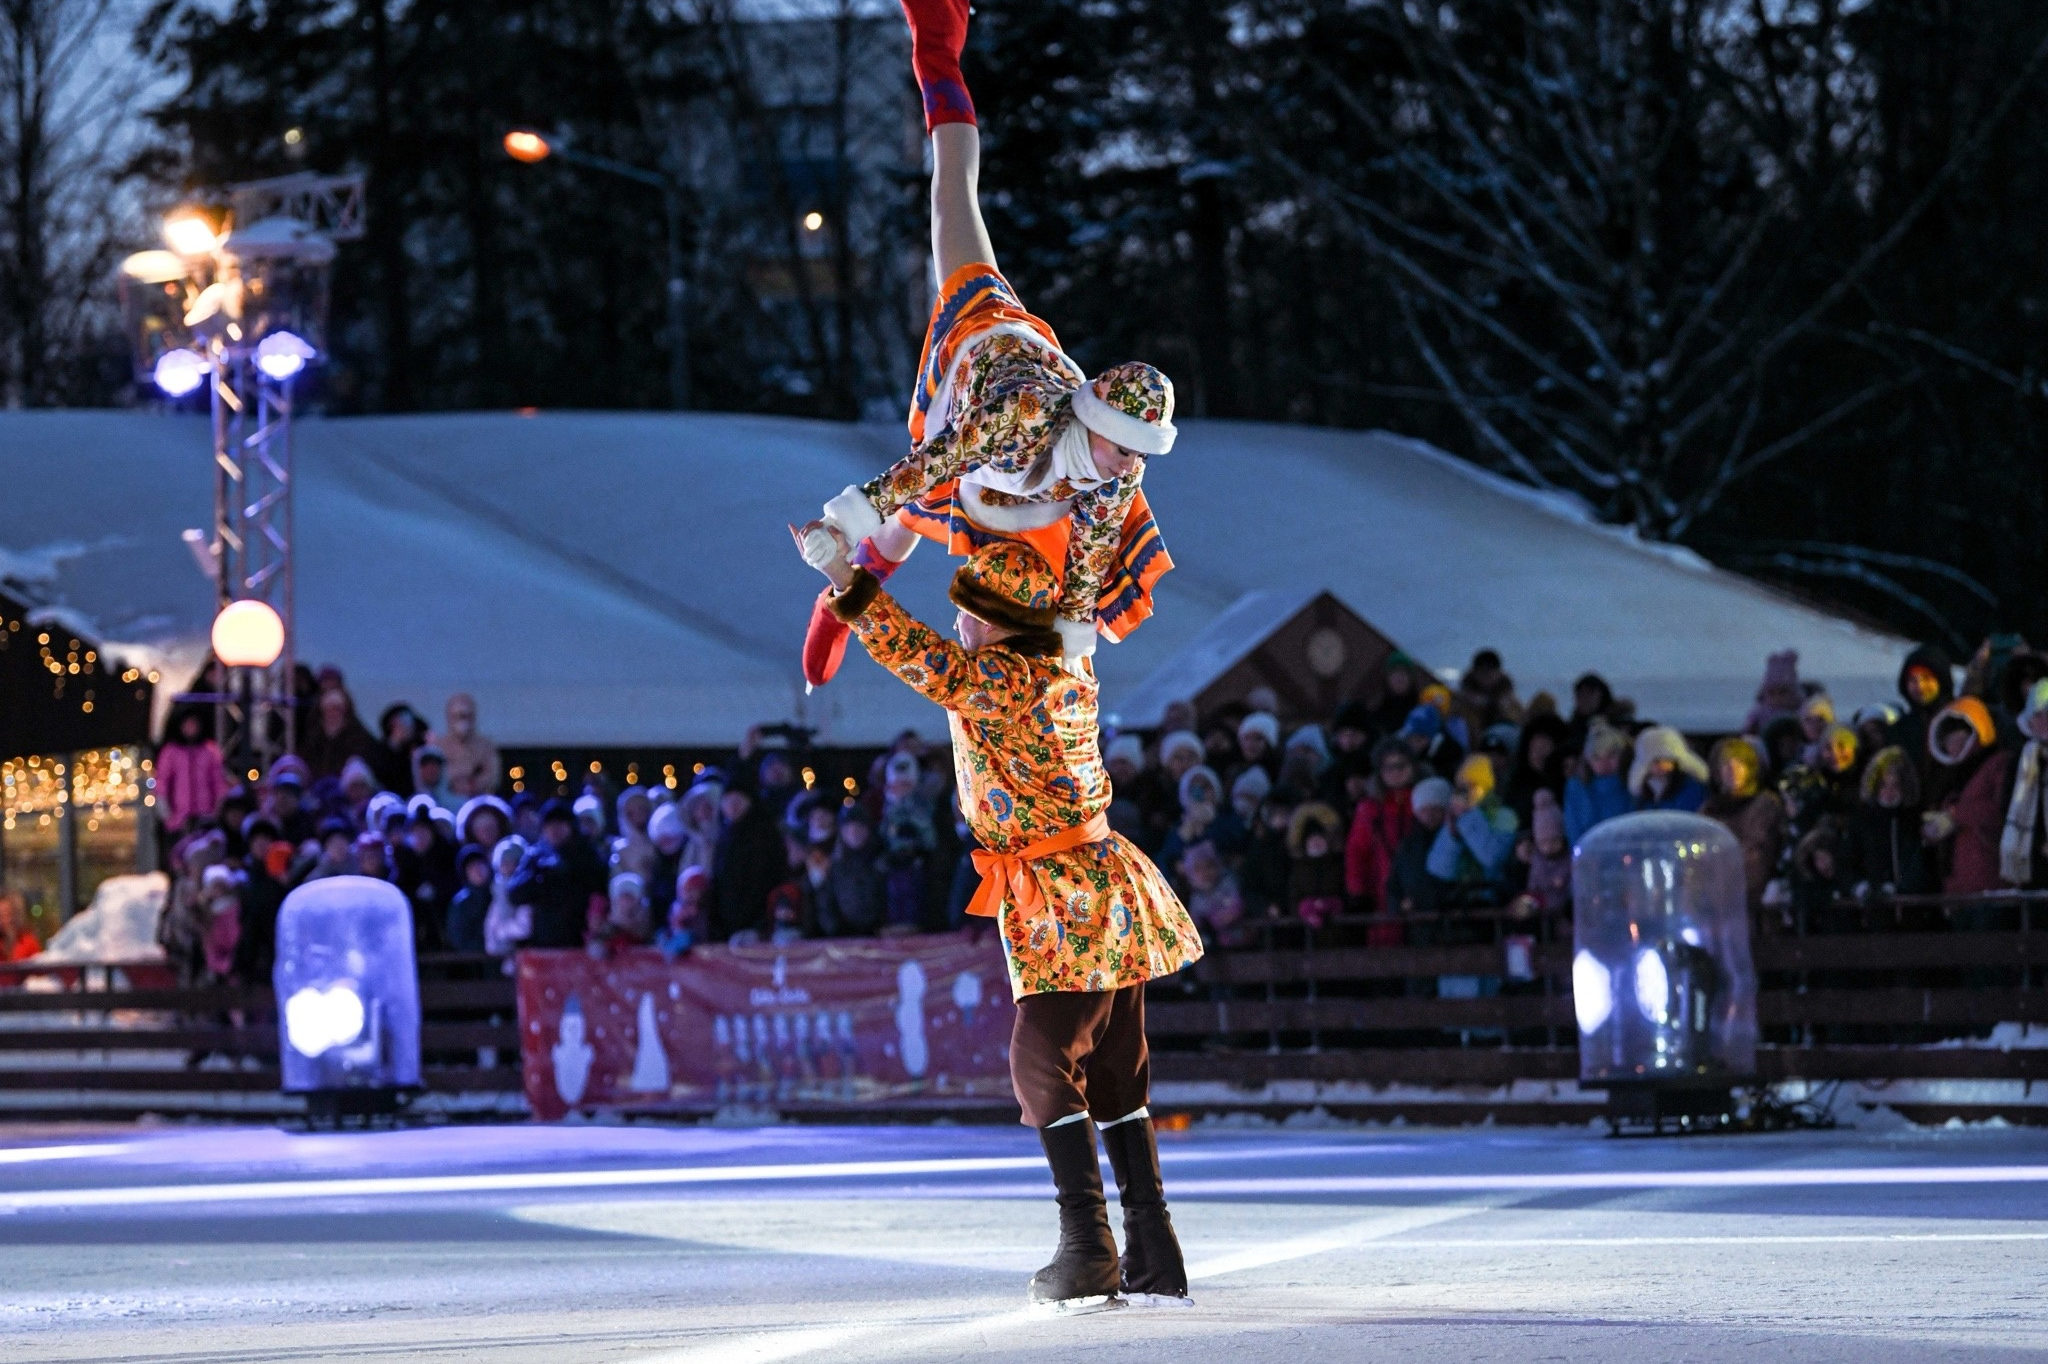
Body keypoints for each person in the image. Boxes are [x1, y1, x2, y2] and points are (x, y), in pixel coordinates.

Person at [804, 527, 1200, 1311]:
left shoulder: (1010, 679)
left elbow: (926, 660)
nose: (959, 625)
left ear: (996, 621)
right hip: (1097, 885)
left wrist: (847, 578)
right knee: (1117, 1067)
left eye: (969, 614)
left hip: (1064, 897)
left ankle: (1088, 1245)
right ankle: (1152, 1249)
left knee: (1042, 1063)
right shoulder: (1065, 662)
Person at [797, 0, 1179, 692]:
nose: (1128, 464)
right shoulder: (1021, 416)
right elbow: (927, 467)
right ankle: (937, 41)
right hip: (987, 359)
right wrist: (844, 524)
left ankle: (845, 597)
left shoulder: (1118, 470)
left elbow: (1090, 554)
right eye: (1124, 447)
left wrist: (1072, 626)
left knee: (955, 517)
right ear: (1098, 426)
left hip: (1032, 453)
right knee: (953, 198)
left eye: (1134, 453)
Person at [1924, 697, 2013, 901]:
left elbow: (2002, 810)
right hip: (1956, 886)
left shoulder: (1998, 764)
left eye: (1957, 737)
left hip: (1989, 882)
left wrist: (1956, 816)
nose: (1951, 746)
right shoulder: (1947, 777)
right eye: (1946, 740)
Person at [1703, 736, 1785, 914]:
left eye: (1740, 763)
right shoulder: (1709, 809)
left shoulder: (1765, 805)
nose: (1733, 770)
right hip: (1714, 895)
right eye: (1726, 765)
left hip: (1751, 894)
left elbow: (1759, 849)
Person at [508, 799, 603, 948]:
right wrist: (541, 875)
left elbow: (598, 888)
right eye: (549, 825)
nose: (554, 830)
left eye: (560, 824)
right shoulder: (536, 856)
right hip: (544, 943)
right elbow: (515, 894)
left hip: (581, 942)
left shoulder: (587, 854)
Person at [1846, 745, 1932, 897]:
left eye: (1895, 785)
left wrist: (1899, 888)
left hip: (1910, 906)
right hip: (1873, 906)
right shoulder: (1862, 821)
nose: (1888, 792)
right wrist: (1860, 886)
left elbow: (1920, 864)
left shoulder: (1913, 820)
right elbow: (1848, 860)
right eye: (1883, 785)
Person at [1426, 755, 1519, 896]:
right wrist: (1453, 836)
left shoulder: (1505, 816)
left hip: (1495, 901)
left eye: (1473, 785)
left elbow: (1491, 858)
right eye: (1462, 787)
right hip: (1459, 903)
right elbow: (1438, 869)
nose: (1467, 793)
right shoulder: (1457, 816)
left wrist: (1469, 816)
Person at [1344, 740, 1418, 913]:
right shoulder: (1369, 809)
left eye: (1401, 766)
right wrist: (1357, 891)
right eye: (1388, 767)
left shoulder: (1423, 803)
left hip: (1419, 889)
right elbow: (1356, 851)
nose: (1395, 772)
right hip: (1380, 892)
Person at [1999, 679, 2048, 890]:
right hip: (2031, 863)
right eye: (2038, 714)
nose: (2044, 720)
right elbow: (2008, 806)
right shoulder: (2021, 759)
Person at [155, 707, 226, 841]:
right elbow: (162, 784)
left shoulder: (210, 751)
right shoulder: (170, 752)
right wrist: (168, 816)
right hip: (179, 822)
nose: (191, 727)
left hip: (206, 819)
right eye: (187, 724)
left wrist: (217, 813)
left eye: (194, 723)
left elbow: (219, 783)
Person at [1386, 777, 1453, 918]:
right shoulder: (1407, 846)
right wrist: (1398, 905)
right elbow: (1394, 885)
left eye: (1435, 809)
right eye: (1424, 810)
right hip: (1418, 925)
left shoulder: (1456, 841)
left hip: (1451, 922)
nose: (1429, 815)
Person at [1565, 723, 1632, 845]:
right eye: (1597, 757)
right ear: (1588, 759)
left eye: (1611, 755)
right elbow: (1574, 828)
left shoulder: (1633, 784)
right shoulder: (1577, 787)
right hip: (1591, 856)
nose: (1604, 763)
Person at [1285, 803, 1347, 929]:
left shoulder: (1339, 865)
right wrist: (1303, 907)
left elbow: (1349, 893)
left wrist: (1335, 904)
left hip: (1339, 933)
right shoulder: (1299, 869)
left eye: (1320, 838)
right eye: (1311, 839)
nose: (1315, 842)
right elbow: (1293, 897)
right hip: (1307, 936)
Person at [1628, 727, 1708, 814]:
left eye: (1666, 760)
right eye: (1655, 761)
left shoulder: (1692, 788)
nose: (1660, 765)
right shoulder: (1641, 793)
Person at [440, 693, 501, 799]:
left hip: (478, 802)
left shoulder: (486, 746)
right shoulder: (439, 746)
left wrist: (473, 785)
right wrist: (464, 774)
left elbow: (493, 777)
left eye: (466, 716)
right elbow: (437, 777)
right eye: (457, 716)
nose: (462, 721)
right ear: (449, 717)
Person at [445, 844, 494, 953]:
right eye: (471, 867)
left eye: (480, 864)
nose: (477, 870)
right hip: (475, 963)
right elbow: (459, 939)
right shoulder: (461, 903)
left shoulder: (498, 894)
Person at [0, 889, 41, 961]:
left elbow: (39, 969)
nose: (5, 920)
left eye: (8, 914)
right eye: (1, 916)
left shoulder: (29, 942)